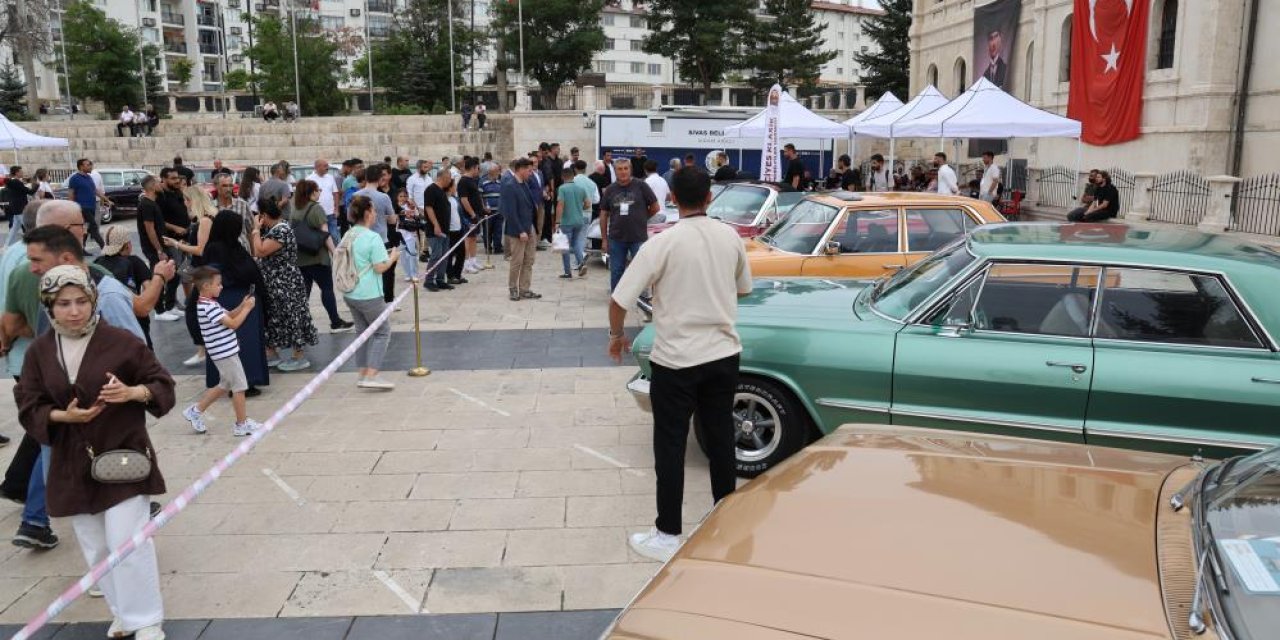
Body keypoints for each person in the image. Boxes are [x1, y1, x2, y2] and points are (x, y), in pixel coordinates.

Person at [15, 265, 174, 640]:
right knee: (96, 546)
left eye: (81, 301)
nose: (74, 311)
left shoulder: (121, 342)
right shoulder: (40, 351)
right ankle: (122, 613)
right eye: (63, 304)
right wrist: (60, 415)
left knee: (128, 541)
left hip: (123, 457)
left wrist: (133, 393)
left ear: (93, 300)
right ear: (49, 307)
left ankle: (147, 619)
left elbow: (162, 383)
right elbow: (27, 401)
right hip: (71, 463)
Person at [607, 167, 753, 562]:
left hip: (677, 359)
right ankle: (726, 519)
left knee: (670, 446)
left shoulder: (663, 243)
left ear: (672, 197)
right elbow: (743, 288)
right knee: (721, 438)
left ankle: (668, 532)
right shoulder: (730, 237)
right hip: (723, 354)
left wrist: (616, 336)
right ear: (710, 197)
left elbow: (620, 300)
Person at [181, 266, 262, 436]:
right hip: (225, 354)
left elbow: (230, 315)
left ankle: (195, 411)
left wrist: (242, 305)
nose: (221, 287)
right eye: (218, 284)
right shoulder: (209, 307)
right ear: (206, 287)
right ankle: (241, 424)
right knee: (239, 387)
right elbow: (233, 324)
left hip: (224, 353)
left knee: (224, 384)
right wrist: (247, 309)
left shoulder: (209, 303)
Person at [250, 199, 318, 371]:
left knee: (292, 315)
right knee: (276, 316)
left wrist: (255, 230)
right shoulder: (279, 228)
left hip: (285, 282)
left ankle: (298, 356)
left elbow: (260, 250)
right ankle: (272, 352)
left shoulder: (280, 230)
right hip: (278, 282)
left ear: (264, 215)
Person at [340, 195, 399, 390]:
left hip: (350, 292)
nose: (375, 214)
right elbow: (380, 268)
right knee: (382, 332)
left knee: (362, 332)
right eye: (373, 211)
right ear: (367, 213)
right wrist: (392, 258)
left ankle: (363, 373)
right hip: (369, 294)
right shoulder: (372, 237)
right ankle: (372, 375)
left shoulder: (349, 234)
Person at [287, 180, 352, 333]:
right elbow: (325, 234)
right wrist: (335, 252)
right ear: (311, 192)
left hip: (301, 256)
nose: (320, 192)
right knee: (327, 289)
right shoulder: (316, 209)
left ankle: (301, 324)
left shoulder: (295, 208)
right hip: (317, 257)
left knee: (304, 293)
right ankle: (335, 322)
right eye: (318, 190)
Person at [600, 159, 659, 291]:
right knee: (616, 271)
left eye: (626, 168)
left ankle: (641, 297)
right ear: (615, 171)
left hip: (638, 237)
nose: (623, 172)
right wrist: (604, 239)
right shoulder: (610, 190)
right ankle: (616, 298)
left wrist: (643, 217)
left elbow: (655, 207)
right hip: (616, 238)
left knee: (641, 270)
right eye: (620, 169)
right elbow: (603, 215)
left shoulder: (641, 186)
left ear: (630, 169)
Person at [95, 226, 156, 349]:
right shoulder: (134, 262)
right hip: (136, 322)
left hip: (106, 325)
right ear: (127, 245)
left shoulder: (97, 263)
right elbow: (149, 288)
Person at [358, 163, 398, 303]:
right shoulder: (383, 197)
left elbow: (350, 217)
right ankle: (388, 300)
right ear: (380, 178)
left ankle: (369, 297)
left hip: (361, 239)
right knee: (386, 271)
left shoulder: (356, 195)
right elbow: (393, 220)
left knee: (365, 271)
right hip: (381, 238)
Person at [501, 158, 539, 301]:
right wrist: (520, 230)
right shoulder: (510, 186)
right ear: (521, 169)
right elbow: (510, 211)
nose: (531, 173)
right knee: (517, 261)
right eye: (529, 170)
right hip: (518, 230)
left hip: (529, 227)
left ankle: (525, 289)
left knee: (529, 260)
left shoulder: (525, 184)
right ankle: (513, 289)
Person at [556, 162, 591, 278]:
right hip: (579, 220)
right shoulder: (580, 188)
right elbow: (587, 204)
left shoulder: (562, 188)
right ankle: (581, 263)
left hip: (566, 221)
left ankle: (567, 271)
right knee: (576, 243)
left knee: (564, 247)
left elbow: (560, 205)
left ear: (562, 177)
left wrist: (557, 221)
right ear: (573, 175)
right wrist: (579, 208)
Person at [421, 169, 452, 292]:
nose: (450, 181)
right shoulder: (431, 190)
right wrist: (436, 224)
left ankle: (440, 280)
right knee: (436, 255)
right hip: (435, 230)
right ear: (442, 177)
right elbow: (429, 208)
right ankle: (429, 280)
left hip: (445, 229)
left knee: (444, 256)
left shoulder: (442, 191)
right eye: (449, 178)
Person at [67, 158, 107, 251]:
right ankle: (104, 247)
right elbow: (71, 194)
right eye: (88, 165)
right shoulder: (74, 178)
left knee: (87, 228)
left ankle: (81, 248)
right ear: (81, 166)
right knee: (93, 227)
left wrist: (106, 199)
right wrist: (72, 208)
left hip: (91, 207)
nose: (90, 166)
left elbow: (95, 190)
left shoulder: (89, 177)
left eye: (90, 164)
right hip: (82, 208)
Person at [457, 157, 486, 274]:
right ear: (473, 168)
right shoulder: (463, 181)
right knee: (468, 239)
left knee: (473, 238)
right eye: (477, 168)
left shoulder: (473, 180)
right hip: (469, 215)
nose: (478, 170)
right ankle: (466, 263)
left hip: (476, 214)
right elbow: (464, 199)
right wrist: (472, 214)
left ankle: (473, 260)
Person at [213, 173, 253, 251]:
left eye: (230, 185)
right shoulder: (211, 207)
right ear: (216, 186)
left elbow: (250, 231)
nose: (228, 189)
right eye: (224, 186)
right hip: (221, 253)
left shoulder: (242, 204)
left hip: (242, 250)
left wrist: (254, 254)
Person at [306, 159, 341, 242]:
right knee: (320, 237)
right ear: (317, 167)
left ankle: (336, 254)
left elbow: (335, 193)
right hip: (317, 214)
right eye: (325, 166)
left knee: (334, 236)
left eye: (327, 165)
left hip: (331, 213)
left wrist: (336, 209)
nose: (327, 167)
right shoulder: (309, 179)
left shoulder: (330, 177)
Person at [394, 189, 422, 282]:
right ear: (397, 197)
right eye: (401, 196)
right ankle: (407, 273)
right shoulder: (395, 206)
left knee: (412, 253)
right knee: (403, 255)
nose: (403, 198)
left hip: (410, 233)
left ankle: (414, 273)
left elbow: (417, 217)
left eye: (405, 196)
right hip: (399, 233)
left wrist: (413, 209)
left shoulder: (410, 206)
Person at [445, 177, 468, 285]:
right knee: (449, 254)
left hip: (459, 230)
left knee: (462, 253)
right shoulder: (444, 200)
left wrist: (467, 224)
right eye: (454, 186)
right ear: (449, 187)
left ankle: (457, 274)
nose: (456, 188)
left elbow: (460, 215)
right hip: (449, 231)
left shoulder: (455, 199)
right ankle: (450, 276)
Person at [480, 162, 504, 255]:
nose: (499, 173)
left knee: (498, 230)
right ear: (491, 172)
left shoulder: (500, 181)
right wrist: (483, 207)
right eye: (497, 171)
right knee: (487, 230)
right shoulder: (483, 181)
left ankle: (497, 247)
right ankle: (488, 247)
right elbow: (480, 196)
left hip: (499, 211)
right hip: (488, 211)